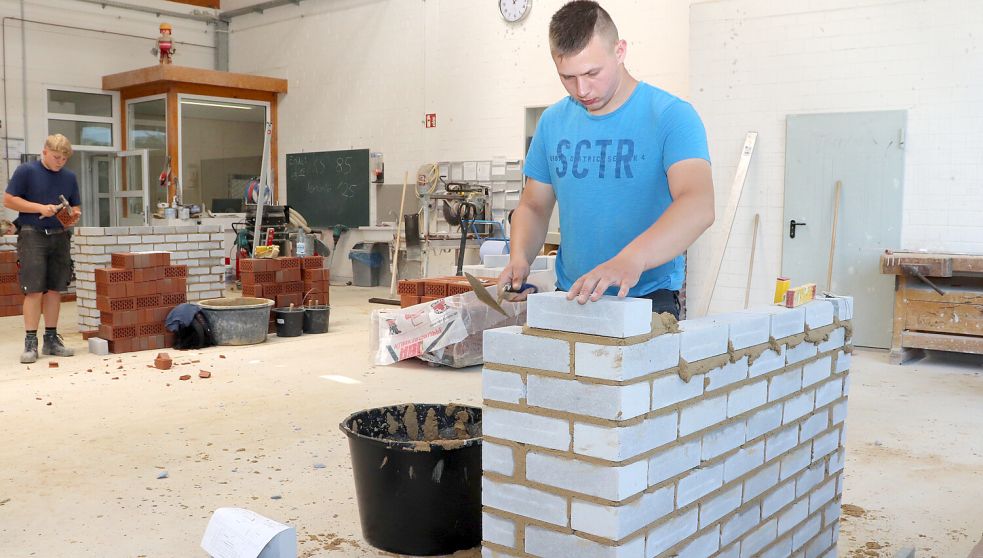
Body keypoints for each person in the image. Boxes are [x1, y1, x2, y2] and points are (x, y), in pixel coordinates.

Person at [499, 1, 714, 318]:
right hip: (573, 296)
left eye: (591, 73)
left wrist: (632, 258)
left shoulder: (670, 116)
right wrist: (520, 256)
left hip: (646, 300)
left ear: (620, 51)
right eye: (567, 77)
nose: (582, 90)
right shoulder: (553, 121)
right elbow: (533, 206)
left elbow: (698, 204)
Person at [3, 134, 81, 363]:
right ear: (44, 151)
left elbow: (74, 204)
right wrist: (39, 207)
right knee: (34, 289)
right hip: (32, 234)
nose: (60, 162)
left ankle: (51, 340)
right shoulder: (26, 172)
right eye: (56, 157)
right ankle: (30, 342)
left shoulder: (69, 177)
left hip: (60, 236)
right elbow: (9, 200)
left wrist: (73, 215)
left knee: (55, 289)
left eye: (64, 158)